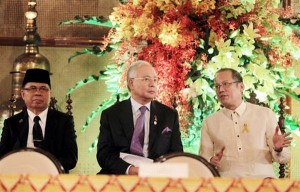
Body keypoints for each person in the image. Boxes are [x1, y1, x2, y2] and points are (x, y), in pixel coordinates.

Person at [199, 68, 292, 178]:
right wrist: (211, 161)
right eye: (217, 86)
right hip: (228, 185)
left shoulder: (264, 114)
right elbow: (202, 161)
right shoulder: (209, 122)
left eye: (226, 84)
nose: (221, 89)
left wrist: (278, 148)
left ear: (241, 87)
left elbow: (284, 158)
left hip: (263, 182)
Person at [97, 60, 183, 175]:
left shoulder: (169, 115)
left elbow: (177, 154)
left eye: (155, 80)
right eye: (146, 79)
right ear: (131, 83)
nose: (153, 84)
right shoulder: (111, 115)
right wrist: (130, 170)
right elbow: (104, 154)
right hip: (121, 174)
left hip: (156, 177)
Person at [0, 68, 78, 173]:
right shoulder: (12, 123)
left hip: (52, 177)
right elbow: (3, 157)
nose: (38, 93)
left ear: (50, 94)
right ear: (23, 94)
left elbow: (71, 158)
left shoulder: (63, 122)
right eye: (32, 88)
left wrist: (44, 166)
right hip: (20, 176)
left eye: (43, 88)